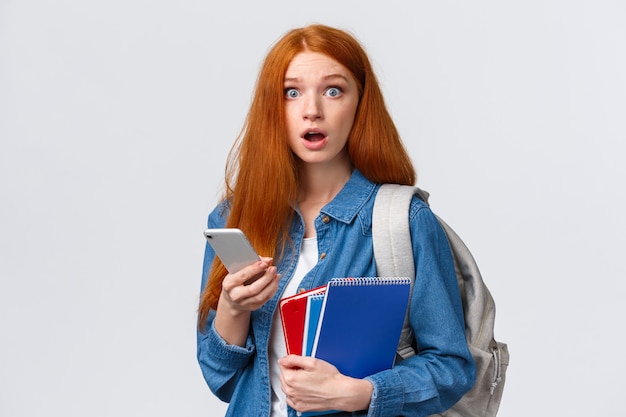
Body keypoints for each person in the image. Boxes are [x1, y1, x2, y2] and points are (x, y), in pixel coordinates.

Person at [197, 24, 475, 417]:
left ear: (360, 103)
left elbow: (452, 368)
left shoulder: (404, 221)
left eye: (333, 90)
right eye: (291, 92)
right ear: (272, 108)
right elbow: (220, 380)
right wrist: (232, 306)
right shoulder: (235, 218)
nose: (312, 109)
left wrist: (360, 394)